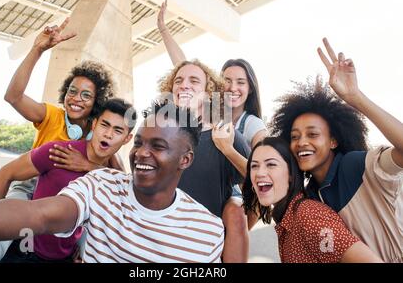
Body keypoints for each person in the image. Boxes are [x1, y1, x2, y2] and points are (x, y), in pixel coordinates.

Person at [0, 101, 225, 263]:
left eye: (158, 146)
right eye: (140, 143)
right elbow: (38, 215)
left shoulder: (208, 231)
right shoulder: (100, 184)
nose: (142, 153)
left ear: (185, 160)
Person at [0, 19, 118, 263]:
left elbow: (120, 180)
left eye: (86, 95)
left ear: (97, 102)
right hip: (31, 188)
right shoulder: (51, 115)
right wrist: (38, 49)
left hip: (68, 201)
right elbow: (13, 96)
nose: (76, 99)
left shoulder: (98, 135)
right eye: (72, 92)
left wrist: (89, 166)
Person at [269, 38, 403, 263]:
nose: (302, 142)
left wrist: (356, 98)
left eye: (312, 134)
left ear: (333, 141)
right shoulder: (311, 194)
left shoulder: (356, 165)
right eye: (294, 137)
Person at [0, 98, 134, 262]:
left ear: (127, 139)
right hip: (24, 252)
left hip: (65, 257)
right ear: (94, 125)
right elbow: (3, 174)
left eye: (118, 130)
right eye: (104, 125)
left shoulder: (113, 176)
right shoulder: (59, 151)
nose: (108, 134)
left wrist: (89, 166)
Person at [158, 59, 251, 262]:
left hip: (205, 250)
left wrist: (227, 150)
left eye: (194, 81)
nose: (184, 85)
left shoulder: (225, 134)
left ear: (209, 93)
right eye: (178, 80)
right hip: (162, 243)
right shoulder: (158, 133)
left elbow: (258, 178)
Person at [242, 137, 382, 263]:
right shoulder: (288, 216)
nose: (259, 173)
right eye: (254, 166)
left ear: (291, 174)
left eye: (271, 164)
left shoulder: (308, 215)